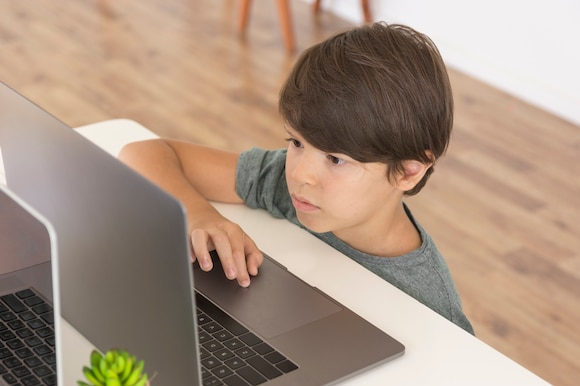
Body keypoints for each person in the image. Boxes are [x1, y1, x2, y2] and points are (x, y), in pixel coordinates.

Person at [118, 22, 474, 334]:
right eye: (297, 143)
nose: (301, 174)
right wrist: (200, 215)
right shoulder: (292, 188)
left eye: (336, 159)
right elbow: (142, 153)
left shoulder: (431, 305)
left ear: (409, 171)